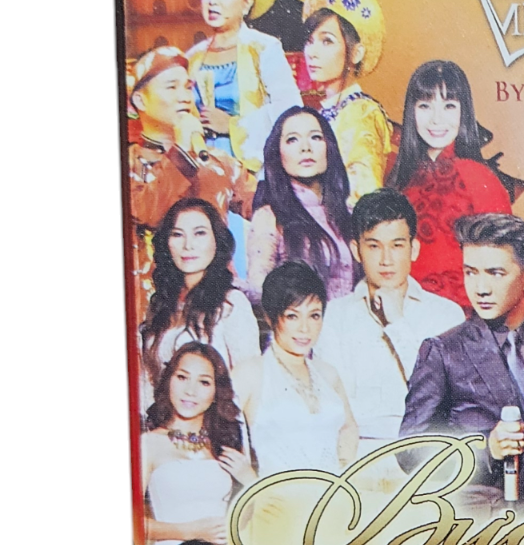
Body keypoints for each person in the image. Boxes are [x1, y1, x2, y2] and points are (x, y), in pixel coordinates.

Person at [400, 213, 524, 509]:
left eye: (495, 273)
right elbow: (409, 453)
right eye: (470, 272)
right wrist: (486, 448)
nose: (481, 288)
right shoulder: (443, 352)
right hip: (477, 526)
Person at [313, 189, 464, 458]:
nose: (386, 260)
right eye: (374, 246)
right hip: (356, 455)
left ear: (414, 249)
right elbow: (334, 405)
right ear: (356, 250)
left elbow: (442, 399)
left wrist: (397, 323)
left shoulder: (445, 315)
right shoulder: (335, 316)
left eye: (397, 246)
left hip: (424, 457)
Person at [127, 47, 250, 317]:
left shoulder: (217, 161)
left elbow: (265, 205)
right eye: (171, 87)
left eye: (187, 87)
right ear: (140, 100)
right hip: (152, 310)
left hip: (216, 307)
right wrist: (181, 150)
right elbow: (149, 212)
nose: (184, 97)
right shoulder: (128, 164)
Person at [387, 59, 519, 311]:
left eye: (449, 106)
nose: (436, 119)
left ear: (463, 112)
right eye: (424, 105)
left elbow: (503, 266)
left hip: (462, 320)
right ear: (411, 112)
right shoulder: (401, 181)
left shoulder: (479, 178)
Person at [141, 342, 255, 545]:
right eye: (182, 377)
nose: (190, 391)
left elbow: (242, 520)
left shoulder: (225, 443)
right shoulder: (149, 444)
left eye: (204, 382)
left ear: (216, 391)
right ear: (169, 380)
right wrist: (189, 531)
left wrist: (250, 481)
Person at [185, 0, 302, 180]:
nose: (213, 0)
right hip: (201, 174)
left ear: (247, 2)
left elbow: (290, 111)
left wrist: (232, 126)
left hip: (251, 176)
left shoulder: (263, 48)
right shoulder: (192, 58)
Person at [232, 263, 358, 478]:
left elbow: (348, 427)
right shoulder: (250, 373)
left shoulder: (327, 373)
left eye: (314, 315)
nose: (304, 328)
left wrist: (343, 472)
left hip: (331, 494)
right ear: (270, 317)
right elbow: (220, 435)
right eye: (292, 316)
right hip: (276, 495)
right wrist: (251, 482)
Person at [138, 198, 260, 409]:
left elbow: (251, 387)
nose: (188, 245)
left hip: (217, 425)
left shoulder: (231, 305)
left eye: (199, 233)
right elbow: (147, 386)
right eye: (177, 234)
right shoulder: (160, 305)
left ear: (217, 241)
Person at [246, 107, 355, 303]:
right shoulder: (270, 217)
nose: (306, 148)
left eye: (315, 137)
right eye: (292, 139)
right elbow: (258, 290)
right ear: (278, 153)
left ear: (329, 148)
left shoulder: (349, 214)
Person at [300, 0, 391, 205]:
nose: (312, 52)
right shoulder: (328, 109)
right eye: (309, 41)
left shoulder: (361, 113)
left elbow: (363, 197)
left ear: (356, 53)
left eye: (327, 41)